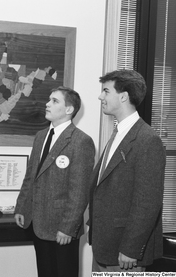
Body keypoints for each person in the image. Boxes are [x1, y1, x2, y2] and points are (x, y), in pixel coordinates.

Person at [88, 69, 166, 272]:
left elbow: (148, 201)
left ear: (123, 96)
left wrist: (132, 248)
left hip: (125, 254)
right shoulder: (119, 133)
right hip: (104, 247)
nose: (100, 96)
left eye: (106, 91)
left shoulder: (147, 140)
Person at [15, 86, 95, 277]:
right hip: (38, 222)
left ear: (69, 110)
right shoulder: (41, 136)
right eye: (49, 99)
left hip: (62, 227)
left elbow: (80, 191)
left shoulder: (81, 141)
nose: (47, 104)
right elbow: (31, 176)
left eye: (54, 101)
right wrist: (21, 207)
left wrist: (67, 228)